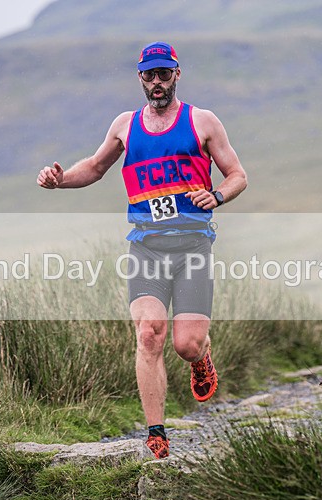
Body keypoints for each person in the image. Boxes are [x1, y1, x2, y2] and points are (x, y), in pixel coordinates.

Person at [37, 41, 247, 459]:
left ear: (177, 74)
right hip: (146, 247)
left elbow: (237, 174)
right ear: (140, 78)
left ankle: (201, 357)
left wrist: (218, 197)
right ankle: (156, 435)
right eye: (149, 75)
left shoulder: (202, 121)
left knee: (186, 345)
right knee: (149, 333)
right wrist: (60, 179)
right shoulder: (124, 125)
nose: (157, 82)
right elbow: (95, 168)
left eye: (164, 74)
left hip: (192, 248)